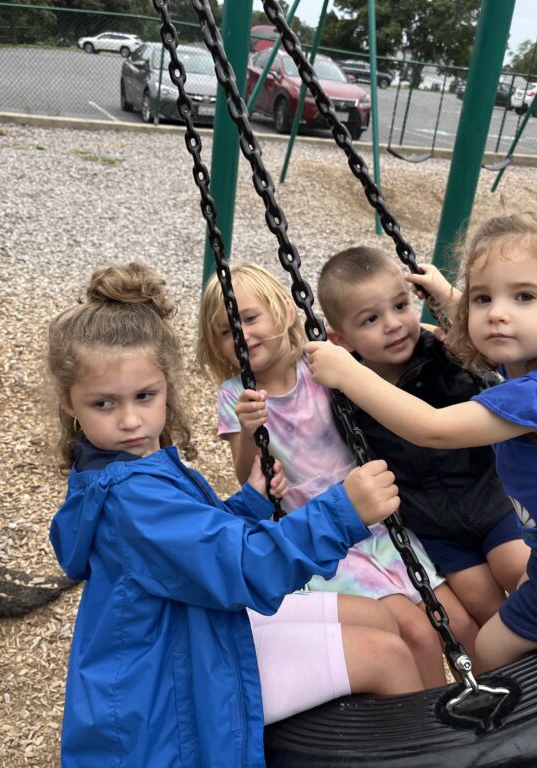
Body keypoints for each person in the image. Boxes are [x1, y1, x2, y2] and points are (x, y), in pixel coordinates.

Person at [47, 262, 423, 768]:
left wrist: (248, 503)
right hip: (176, 691)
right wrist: (342, 513)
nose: (131, 419)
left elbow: (191, 546)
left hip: (192, 627)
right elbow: (243, 566)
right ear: (70, 404)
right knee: (386, 657)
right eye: (104, 404)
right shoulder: (132, 496)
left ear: (166, 386)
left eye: (144, 396)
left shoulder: (131, 467)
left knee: (380, 616)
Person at [305, 209, 537, 674]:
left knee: (488, 650)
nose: (498, 314)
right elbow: (498, 334)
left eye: (524, 296)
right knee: (522, 597)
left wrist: (347, 372)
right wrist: (450, 296)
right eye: (483, 298)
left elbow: (432, 427)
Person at [197, 261, 478, 685]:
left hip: (382, 523)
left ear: (284, 311)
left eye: (250, 318)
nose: (242, 333)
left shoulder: (320, 365)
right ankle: (433, 720)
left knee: (458, 622)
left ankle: (496, 699)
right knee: (416, 633)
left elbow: (376, 367)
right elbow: (244, 476)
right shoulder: (235, 394)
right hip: (325, 537)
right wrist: (250, 431)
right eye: (225, 330)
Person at [317, 246, 531, 627]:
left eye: (401, 306)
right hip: (436, 530)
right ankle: (526, 662)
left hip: (490, 501)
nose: (393, 324)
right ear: (340, 340)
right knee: (484, 606)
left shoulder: (443, 353)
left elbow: (490, 345)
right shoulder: (348, 398)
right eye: (371, 319)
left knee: (521, 571)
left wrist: (447, 298)